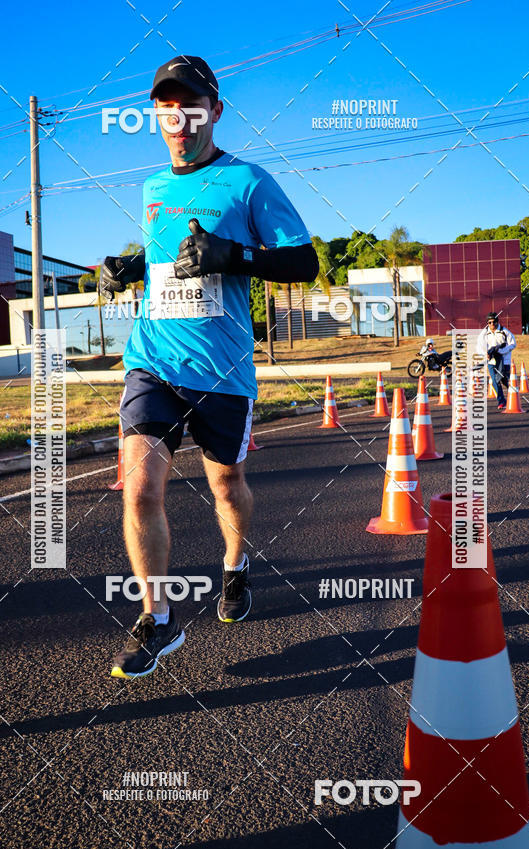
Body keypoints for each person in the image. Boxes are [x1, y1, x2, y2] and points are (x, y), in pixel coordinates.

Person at [99, 55, 318, 679]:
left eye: (191, 104)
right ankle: (159, 618)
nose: (179, 117)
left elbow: (304, 263)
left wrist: (236, 254)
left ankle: (235, 564)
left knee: (226, 486)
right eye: (167, 106)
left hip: (222, 372)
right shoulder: (151, 190)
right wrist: (130, 267)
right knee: (139, 488)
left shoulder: (249, 181)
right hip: (153, 362)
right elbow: (168, 255)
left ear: (214, 111)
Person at [477, 312, 516, 409]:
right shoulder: (484, 333)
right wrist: (485, 353)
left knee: (505, 380)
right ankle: (501, 401)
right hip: (491, 362)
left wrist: (502, 351)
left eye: (494, 322)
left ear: (497, 321)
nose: (492, 324)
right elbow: (479, 346)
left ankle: (515, 396)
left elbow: (513, 344)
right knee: (494, 381)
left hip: (504, 361)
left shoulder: (504, 331)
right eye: (489, 322)